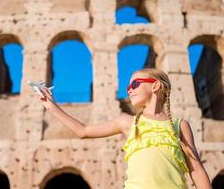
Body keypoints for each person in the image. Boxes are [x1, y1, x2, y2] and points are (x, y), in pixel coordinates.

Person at [37, 68, 212, 189]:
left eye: (134, 84)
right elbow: (83, 131)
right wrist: (51, 106)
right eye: (128, 87)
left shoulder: (179, 126)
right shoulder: (127, 122)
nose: (129, 90)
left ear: (155, 85)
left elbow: (196, 170)